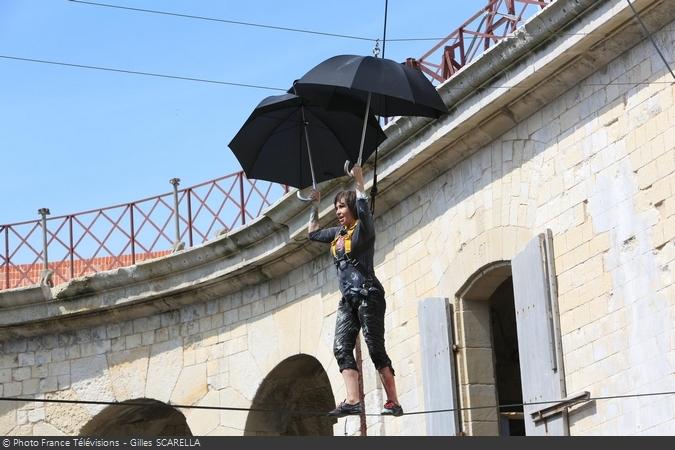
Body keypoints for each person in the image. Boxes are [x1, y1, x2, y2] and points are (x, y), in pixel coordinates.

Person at [307, 164, 403, 418]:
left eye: (342, 206)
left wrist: (359, 182)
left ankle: (393, 401)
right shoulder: (337, 234)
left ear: (351, 208)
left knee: (375, 348)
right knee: (341, 347)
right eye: (336, 207)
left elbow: (364, 210)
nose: (338, 211)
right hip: (348, 300)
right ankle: (352, 400)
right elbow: (313, 234)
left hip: (368, 294)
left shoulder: (363, 230)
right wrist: (315, 205)